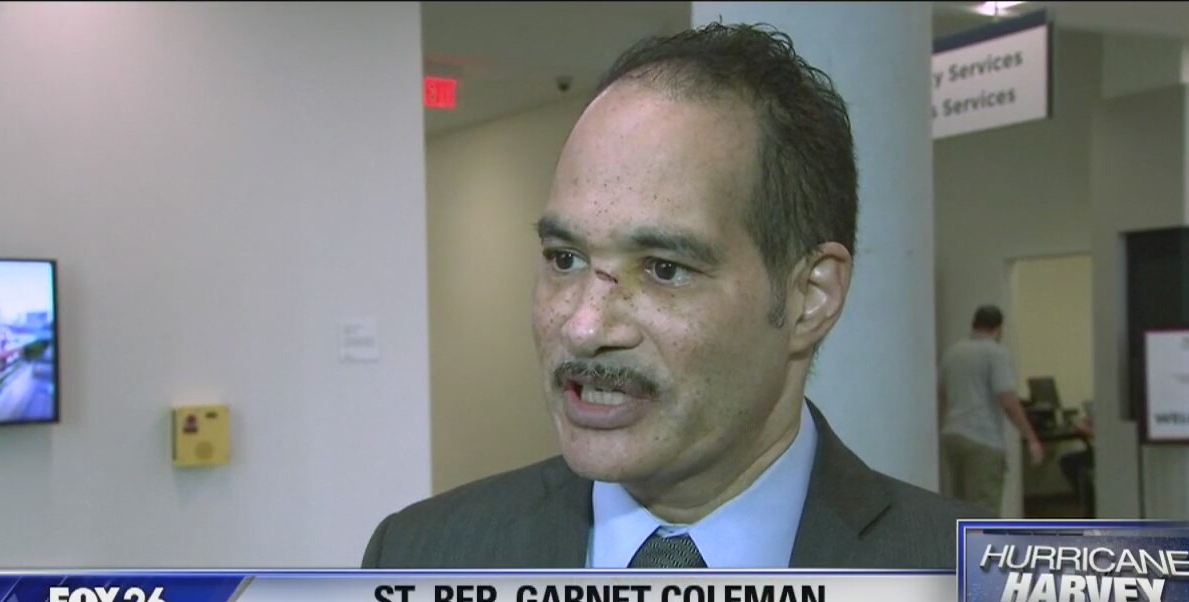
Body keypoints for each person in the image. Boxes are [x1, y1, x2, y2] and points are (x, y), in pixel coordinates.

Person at [363, 22, 985, 571]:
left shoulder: (985, 590)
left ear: (809, 296)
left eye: (664, 268)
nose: (584, 327)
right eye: (565, 258)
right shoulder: (420, 558)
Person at [937, 306, 1044, 516]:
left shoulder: (954, 352)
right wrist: (1031, 438)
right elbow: (1008, 401)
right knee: (984, 512)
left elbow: (942, 392)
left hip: (953, 437)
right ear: (998, 328)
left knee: (958, 510)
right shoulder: (995, 353)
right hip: (982, 440)